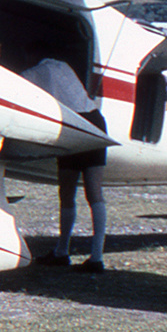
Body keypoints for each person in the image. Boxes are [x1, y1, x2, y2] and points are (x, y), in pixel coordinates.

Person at [22, 41, 109, 272]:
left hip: (77, 124)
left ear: (34, 53)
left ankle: (67, 251)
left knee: (70, 190)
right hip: (94, 120)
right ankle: (94, 256)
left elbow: (18, 83)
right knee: (93, 192)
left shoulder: (39, 71)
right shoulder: (60, 65)